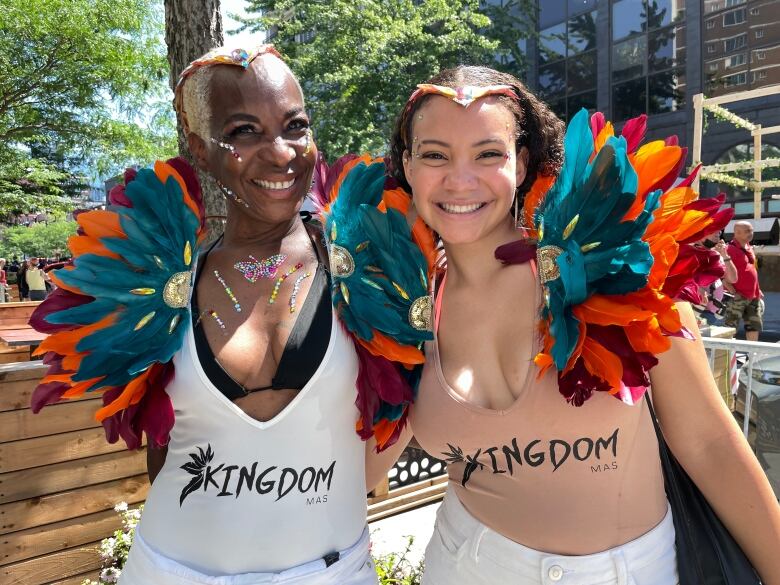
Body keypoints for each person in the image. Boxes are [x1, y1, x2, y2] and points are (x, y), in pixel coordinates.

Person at [378, 66, 780, 584]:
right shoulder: (395, 304)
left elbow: (709, 444)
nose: (460, 179)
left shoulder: (617, 264)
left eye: (488, 153)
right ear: (407, 166)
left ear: (521, 163)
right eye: (435, 154)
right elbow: (363, 465)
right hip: (463, 565)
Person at [29, 45, 408, 585]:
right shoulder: (158, 288)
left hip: (333, 572)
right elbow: (162, 448)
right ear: (200, 151)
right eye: (244, 131)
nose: (280, 154)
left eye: (295, 126)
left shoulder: (372, 270)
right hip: (172, 572)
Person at [724, 220, 764, 340]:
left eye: (751, 230)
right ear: (737, 233)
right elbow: (720, 271)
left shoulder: (748, 247)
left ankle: (752, 357)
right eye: (747, 231)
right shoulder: (728, 249)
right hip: (737, 296)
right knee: (730, 329)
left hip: (753, 296)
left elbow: (752, 270)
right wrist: (731, 291)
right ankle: (728, 357)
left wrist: (758, 290)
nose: (751, 233)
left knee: (754, 326)